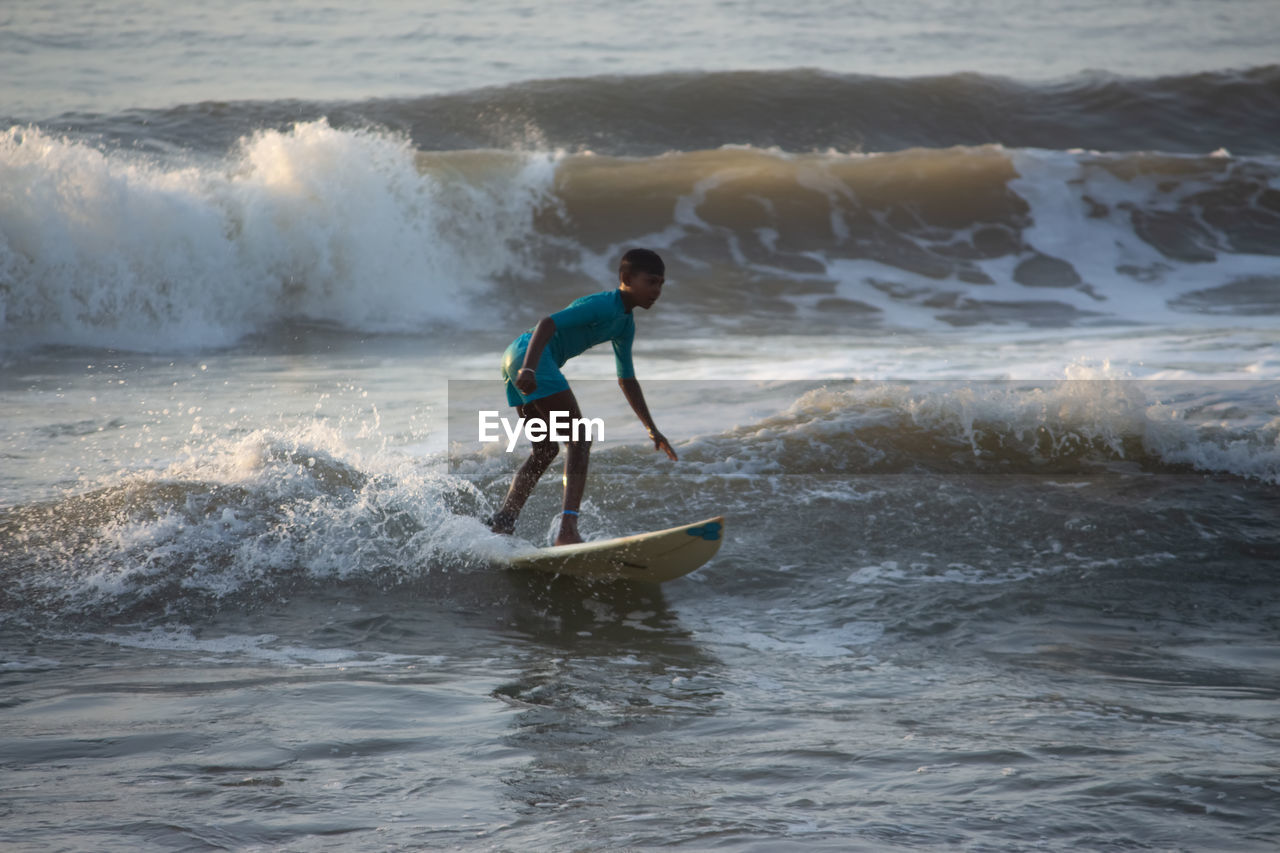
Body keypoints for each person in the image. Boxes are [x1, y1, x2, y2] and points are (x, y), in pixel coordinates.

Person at [488, 248, 678, 545]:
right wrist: (530, 368)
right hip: (531, 357)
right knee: (579, 439)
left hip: (517, 357)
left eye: (661, 284)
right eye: (651, 281)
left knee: (546, 449)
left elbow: (626, 379)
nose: (657, 291)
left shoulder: (625, 324)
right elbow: (547, 323)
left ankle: (502, 523)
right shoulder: (604, 305)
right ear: (627, 278)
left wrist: (652, 428)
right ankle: (567, 531)